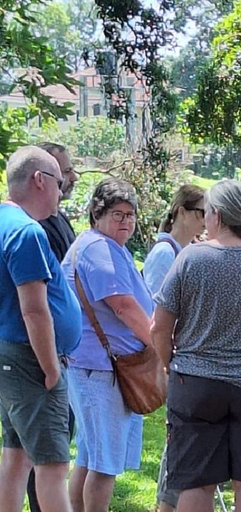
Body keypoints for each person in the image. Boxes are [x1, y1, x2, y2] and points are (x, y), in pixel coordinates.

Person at [152, 180, 241, 512]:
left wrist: (169, 363)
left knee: (196, 483)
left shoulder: (191, 259)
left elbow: (159, 327)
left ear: (217, 215)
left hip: (196, 384)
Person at [62, 178, 154, 512]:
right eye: (118, 214)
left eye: (131, 215)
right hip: (101, 368)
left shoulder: (99, 244)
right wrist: (158, 343)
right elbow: (123, 305)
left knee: (90, 455)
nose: (127, 222)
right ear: (97, 213)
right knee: (104, 464)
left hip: (95, 366)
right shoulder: (97, 247)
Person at [0, 146, 81, 512]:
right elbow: (34, 310)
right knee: (52, 466)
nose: (61, 192)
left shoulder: (4, 222)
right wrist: (51, 369)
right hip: (32, 360)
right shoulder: (26, 233)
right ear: (39, 180)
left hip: (11, 356)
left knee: (16, 457)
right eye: (59, 183)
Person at [142, 184, 206, 512]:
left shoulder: (186, 250)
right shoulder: (165, 253)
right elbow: (155, 310)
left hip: (184, 357)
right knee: (177, 442)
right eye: (200, 213)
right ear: (181, 211)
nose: (205, 221)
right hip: (171, 358)